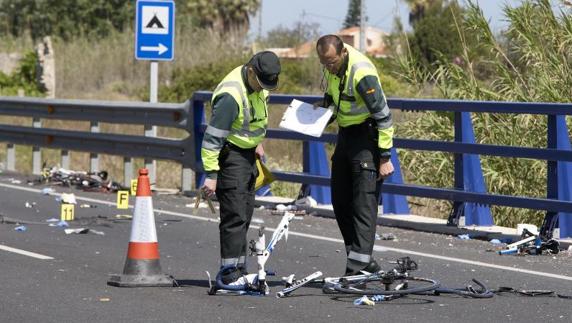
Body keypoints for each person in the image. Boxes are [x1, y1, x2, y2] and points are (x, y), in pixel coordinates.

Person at [200, 51, 281, 290]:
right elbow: (212, 139)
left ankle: (239, 271)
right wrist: (211, 176)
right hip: (231, 155)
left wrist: (257, 142)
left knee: (244, 214)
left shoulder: (259, 85)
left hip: (248, 156)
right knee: (234, 216)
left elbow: (253, 118)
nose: (263, 89)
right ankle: (228, 274)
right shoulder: (231, 95)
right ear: (251, 71)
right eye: (261, 83)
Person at [315, 34, 395, 276]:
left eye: (331, 62)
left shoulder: (361, 73)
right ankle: (362, 260)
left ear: (342, 53)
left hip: (366, 139)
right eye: (323, 62)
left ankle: (357, 269)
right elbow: (333, 100)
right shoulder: (331, 67)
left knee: (363, 204)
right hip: (346, 136)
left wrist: (384, 157)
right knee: (340, 200)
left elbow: (384, 117)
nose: (328, 67)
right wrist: (316, 115)